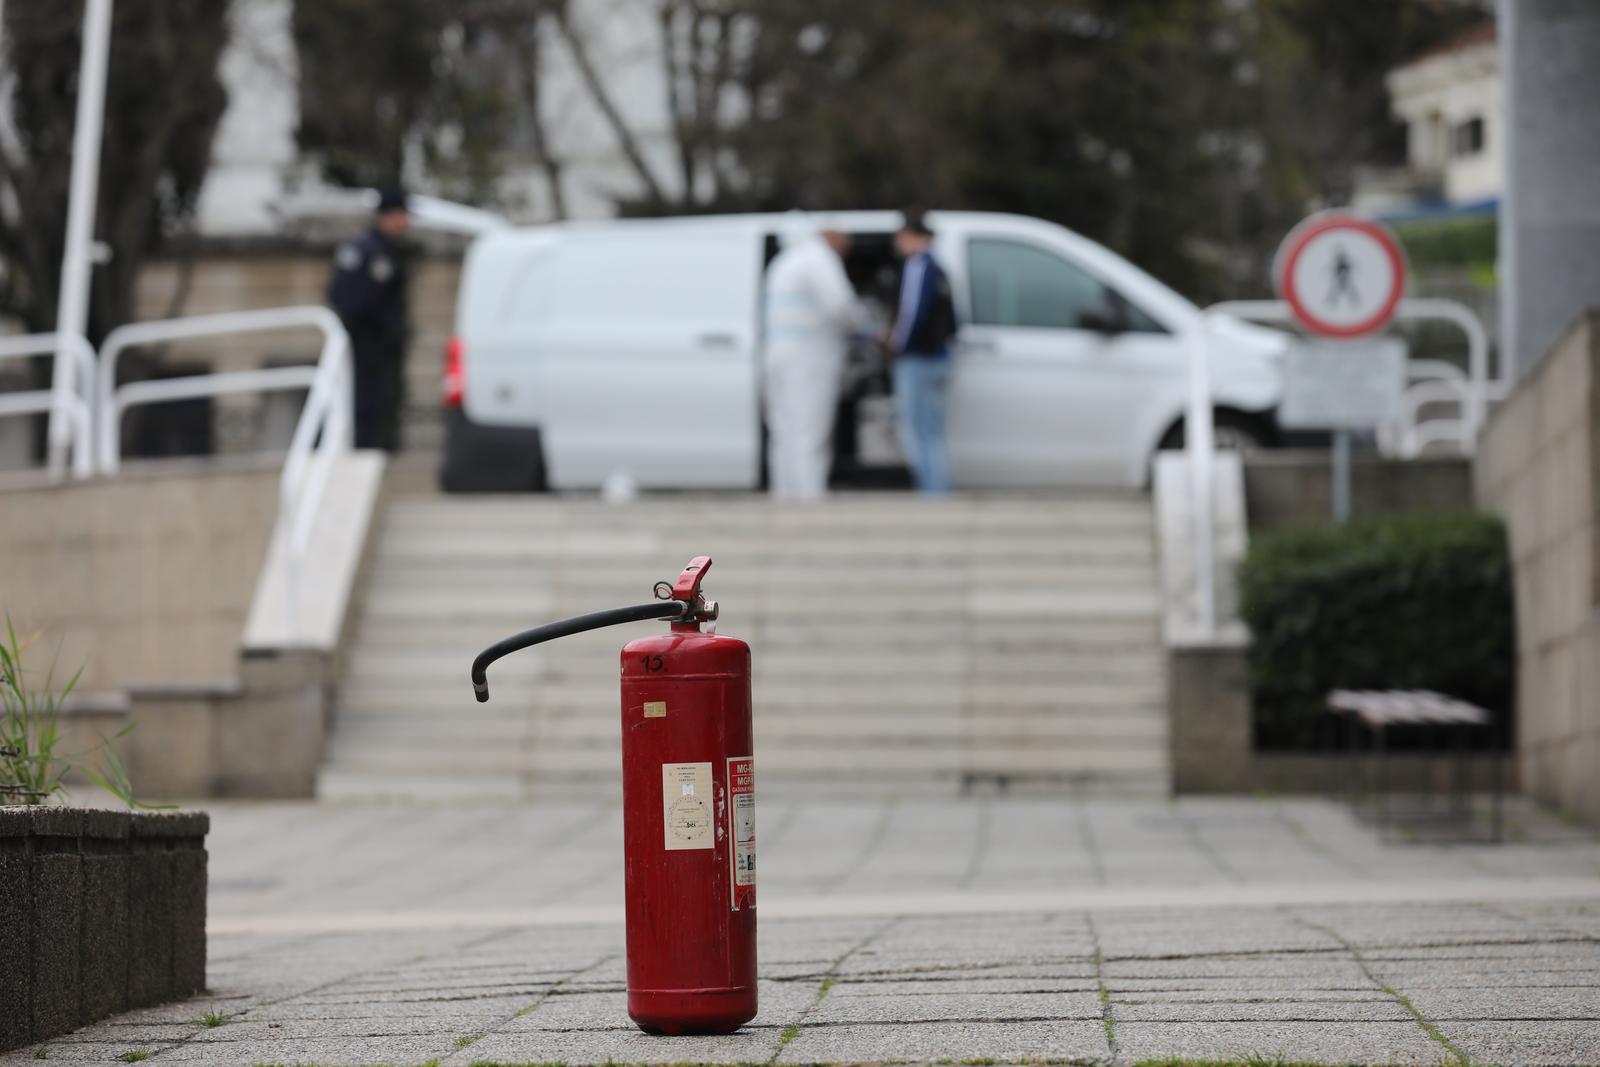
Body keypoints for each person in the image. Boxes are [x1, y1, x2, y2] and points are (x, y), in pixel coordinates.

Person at [762, 217, 866, 500]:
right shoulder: (818, 258)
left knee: (783, 429)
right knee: (811, 428)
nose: (846, 248)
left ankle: (785, 494)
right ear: (830, 237)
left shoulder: (782, 263)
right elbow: (841, 306)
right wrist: (868, 329)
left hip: (778, 354)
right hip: (809, 357)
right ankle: (810, 497)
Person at [328, 189, 411, 451]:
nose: (405, 223)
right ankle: (364, 448)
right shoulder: (365, 249)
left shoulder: (387, 250)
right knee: (363, 399)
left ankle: (375, 446)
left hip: (382, 343)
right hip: (364, 341)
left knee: (380, 401)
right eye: (401, 216)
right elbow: (344, 296)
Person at [886, 211, 957, 494]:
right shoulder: (939, 266)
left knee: (917, 431)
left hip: (919, 358)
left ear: (912, 236)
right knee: (933, 430)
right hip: (939, 356)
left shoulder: (918, 266)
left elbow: (912, 313)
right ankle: (939, 490)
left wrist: (895, 346)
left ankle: (932, 492)